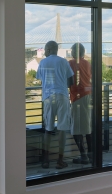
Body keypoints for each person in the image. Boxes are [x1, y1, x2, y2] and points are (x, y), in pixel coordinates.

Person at [36, 40, 74, 169]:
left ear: (47, 49)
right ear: (56, 49)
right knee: (62, 129)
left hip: (48, 97)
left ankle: (46, 160)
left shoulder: (42, 62)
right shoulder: (64, 61)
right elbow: (71, 81)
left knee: (48, 129)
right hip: (62, 96)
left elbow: (41, 79)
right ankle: (60, 160)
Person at [68, 43, 93, 164]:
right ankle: (91, 154)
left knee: (76, 129)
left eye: (72, 50)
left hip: (77, 97)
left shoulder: (71, 63)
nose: (71, 52)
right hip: (88, 96)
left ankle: (84, 156)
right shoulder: (88, 63)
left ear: (75, 52)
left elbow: (69, 80)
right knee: (87, 126)